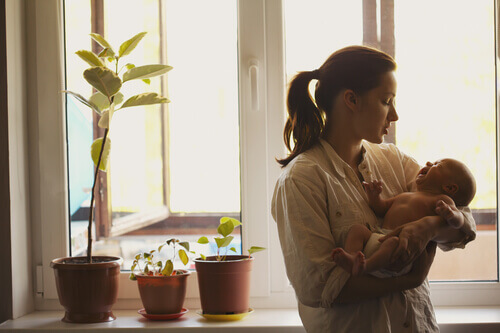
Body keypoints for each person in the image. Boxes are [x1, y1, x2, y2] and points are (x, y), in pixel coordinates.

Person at [271, 45, 476, 332]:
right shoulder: (301, 180)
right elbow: (321, 289)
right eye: (386, 101)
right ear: (351, 100)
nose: (394, 116)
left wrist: (429, 227)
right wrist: (407, 280)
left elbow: (465, 222)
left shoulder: (394, 160)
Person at [332, 158, 476, 277]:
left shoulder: (441, 200)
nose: (428, 163)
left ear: (450, 188)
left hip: (401, 248)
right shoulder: (406, 195)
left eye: (437, 165)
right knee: (358, 230)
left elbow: (460, 222)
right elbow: (382, 209)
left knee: (392, 242)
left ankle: (366, 266)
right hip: (379, 236)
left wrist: (451, 215)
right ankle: (352, 257)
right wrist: (374, 197)